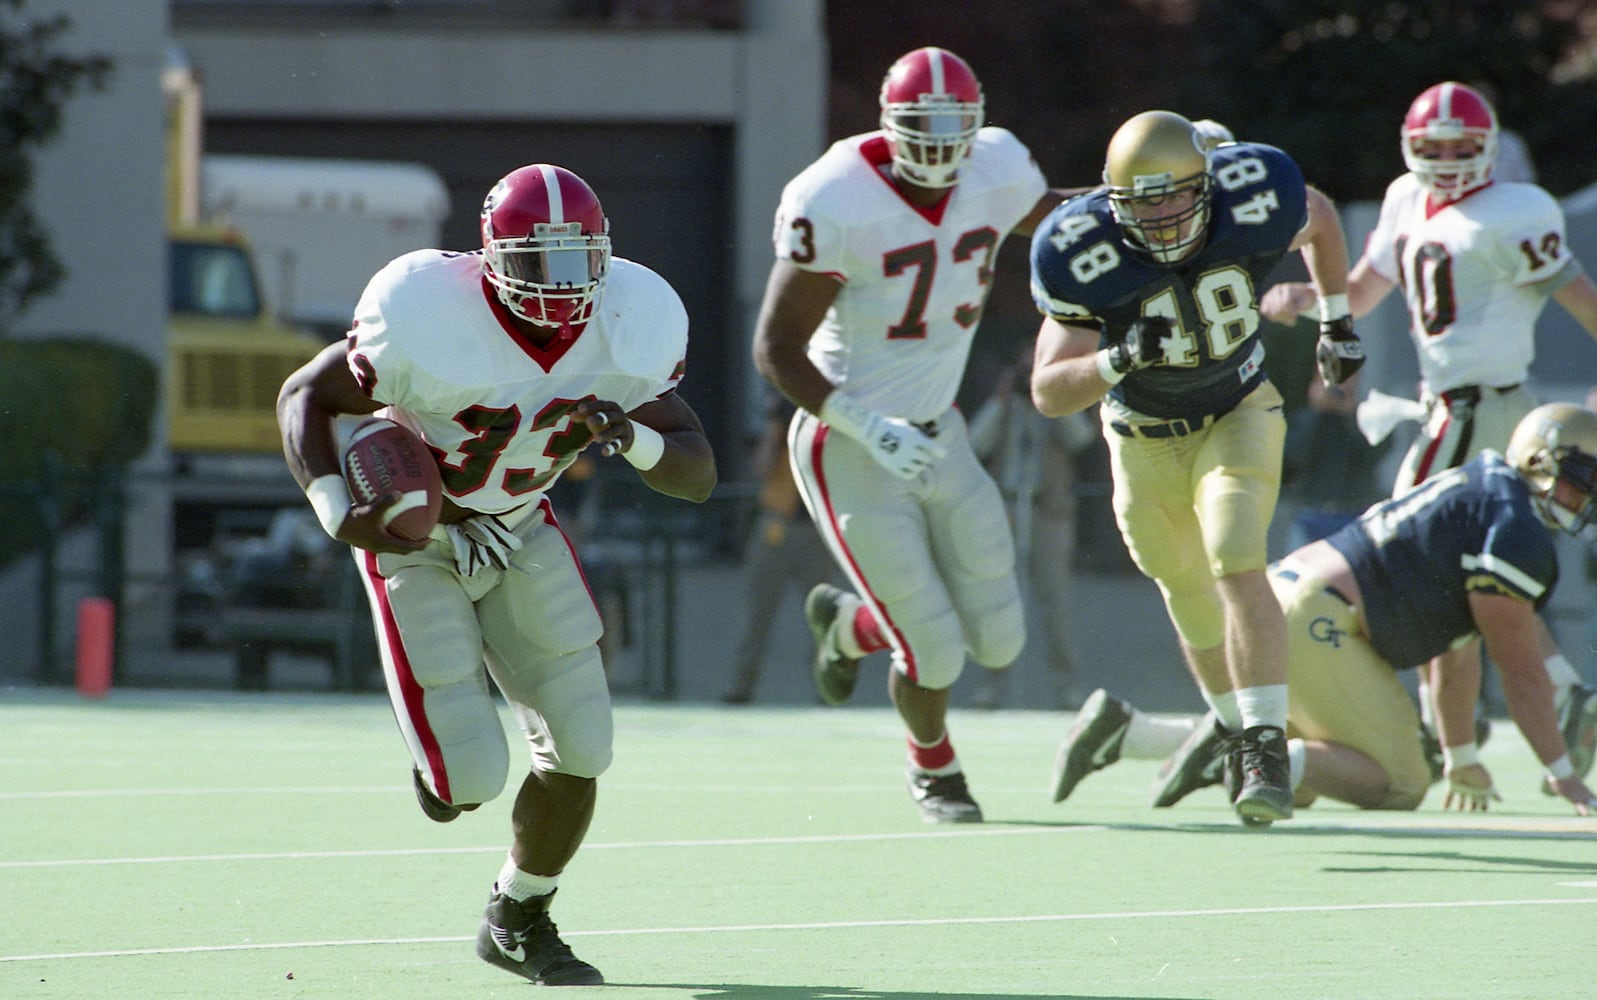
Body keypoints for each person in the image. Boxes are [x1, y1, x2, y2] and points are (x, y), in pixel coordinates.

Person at [276, 163, 716, 986]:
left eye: (576, 260)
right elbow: (306, 394)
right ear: (488, 258)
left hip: (522, 524)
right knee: (467, 783)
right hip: (421, 536)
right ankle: (441, 769)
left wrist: (627, 436)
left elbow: (695, 471)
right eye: (536, 262)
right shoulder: (422, 312)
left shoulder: (633, 316)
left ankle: (517, 915)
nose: (559, 286)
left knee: (583, 745)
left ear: (604, 255)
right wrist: (340, 511)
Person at [752, 46, 1077, 823]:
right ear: (888, 125)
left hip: (943, 430)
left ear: (976, 125)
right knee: (932, 647)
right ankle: (933, 769)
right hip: (849, 443)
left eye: (952, 129)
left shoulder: (994, 169)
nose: (936, 147)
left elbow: (1058, 216)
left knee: (996, 640)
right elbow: (775, 349)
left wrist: (1149, 192)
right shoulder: (834, 196)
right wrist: (863, 424)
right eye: (919, 129)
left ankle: (849, 624)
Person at [1260, 81, 1597, 791]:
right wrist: (1310, 301)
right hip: (1447, 408)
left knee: (1427, 565)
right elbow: (1358, 295)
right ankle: (1549, 699)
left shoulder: (1516, 210)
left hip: (1483, 413)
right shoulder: (1403, 200)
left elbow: (1582, 302)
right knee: (1479, 575)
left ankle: (1460, 740)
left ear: (1488, 147)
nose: (1445, 160)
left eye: (1460, 147)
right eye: (1432, 148)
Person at [1028, 109, 1357, 827]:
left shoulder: (1252, 200)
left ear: (1207, 183)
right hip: (1141, 434)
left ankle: (1265, 744)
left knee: (1235, 553)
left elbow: (1322, 216)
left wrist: (1336, 319)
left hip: (1238, 408)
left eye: (1175, 193)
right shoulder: (1081, 249)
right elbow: (1048, 391)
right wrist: (1118, 358)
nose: (1162, 212)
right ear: (1113, 200)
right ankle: (1234, 734)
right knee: (1184, 589)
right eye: (1142, 199)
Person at [1049, 403, 1597, 819]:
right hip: (1322, 619)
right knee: (1403, 780)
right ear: (1540, 460)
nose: (1584, 500)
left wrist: (1461, 756)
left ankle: (1129, 733)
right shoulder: (1514, 526)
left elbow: (1457, 650)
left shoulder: (1484, 491)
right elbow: (1521, 670)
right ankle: (1226, 754)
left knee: (1314, 764)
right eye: (1580, 484)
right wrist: (1564, 774)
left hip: (1288, 598)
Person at [966, 344, 1097, 710]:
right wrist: (1002, 398)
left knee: (1055, 603)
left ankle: (1067, 686)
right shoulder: (1005, 405)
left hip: (1049, 512)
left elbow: (1080, 439)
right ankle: (992, 686)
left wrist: (1052, 399)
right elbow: (976, 441)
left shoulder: (1056, 404)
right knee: (1000, 604)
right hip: (1005, 508)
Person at [719, 393, 837, 705]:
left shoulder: (828, 432)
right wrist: (776, 431)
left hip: (817, 529)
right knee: (757, 611)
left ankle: (826, 689)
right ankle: (740, 686)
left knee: (824, 614)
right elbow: (762, 468)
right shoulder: (777, 432)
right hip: (777, 526)